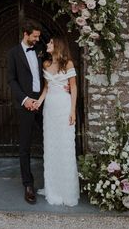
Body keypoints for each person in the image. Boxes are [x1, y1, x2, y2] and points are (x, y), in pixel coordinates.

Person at [35, 36, 80, 206]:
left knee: (65, 146)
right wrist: (38, 102)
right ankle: (52, 188)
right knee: (51, 146)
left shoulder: (68, 63)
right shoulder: (46, 64)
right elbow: (46, 88)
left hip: (64, 106)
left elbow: (73, 87)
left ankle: (66, 190)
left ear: (57, 46)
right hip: (50, 108)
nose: (47, 44)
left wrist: (72, 111)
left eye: (50, 43)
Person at [7, 19, 43, 204]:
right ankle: (28, 184)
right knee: (25, 146)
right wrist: (25, 100)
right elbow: (12, 80)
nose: (37, 39)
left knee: (51, 140)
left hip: (44, 102)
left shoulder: (39, 50)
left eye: (38, 36)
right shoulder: (13, 53)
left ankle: (53, 180)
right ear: (26, 34)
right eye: (34, 36)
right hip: (26, 104)